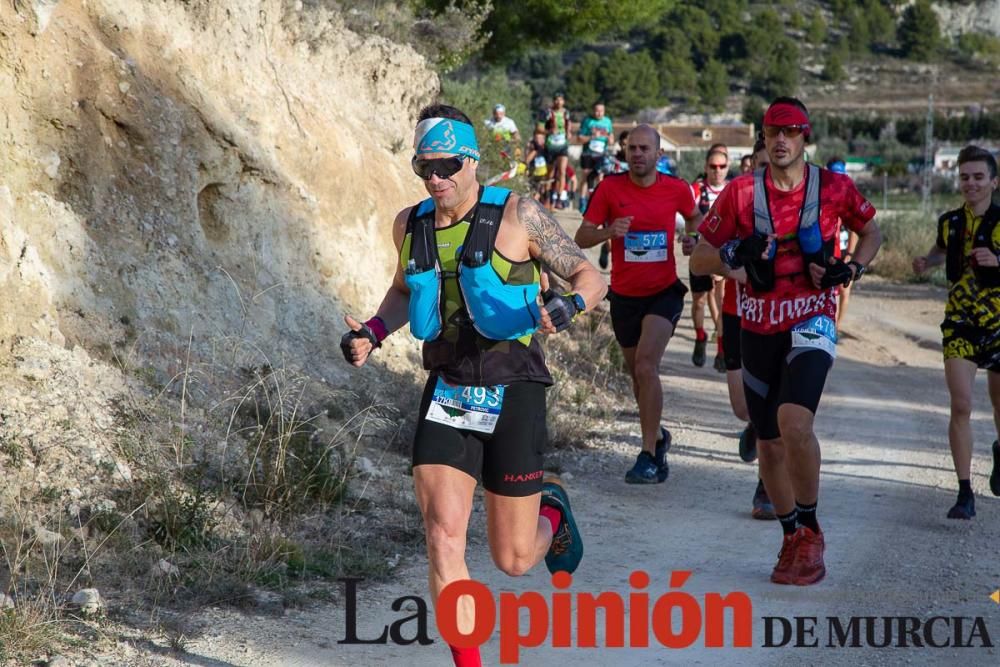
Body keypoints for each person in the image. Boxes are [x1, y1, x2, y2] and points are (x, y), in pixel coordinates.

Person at [340, 104, 606, 666]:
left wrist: (571, 303)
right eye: (424, 168)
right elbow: (403, 292)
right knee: (442, 535)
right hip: (449, 387)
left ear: (471, 159)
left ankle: (550, 510)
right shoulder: (408, 224)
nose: (436, 178)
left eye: (446, 165)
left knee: (513, 559)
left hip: (515, 381)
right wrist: (374, 331)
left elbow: (590, 273)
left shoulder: (518, 215)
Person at [691, 97, 882, 585]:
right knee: (770, 446)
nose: (780, 139)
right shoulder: (739, 193)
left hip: (811, 319)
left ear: (804, 137)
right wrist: (736, 253)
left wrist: (851, 268)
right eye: (773, 130)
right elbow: (699, 259)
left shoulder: (834, 187)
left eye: (791, 131)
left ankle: (812, 529)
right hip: (756, 324)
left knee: (794, 423)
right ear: (763, 135)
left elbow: (872, 232)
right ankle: (791, 534)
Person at [575, 124, 702, 483]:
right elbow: (581, 236)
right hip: (625, 297)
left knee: (647, 367)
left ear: (659, 154)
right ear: (625, 152)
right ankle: (659, 438)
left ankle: (647, 455)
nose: (638, 154)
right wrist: (608, 232)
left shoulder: (676, 189)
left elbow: (696, 219)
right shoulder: (610, 189)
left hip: (664, 292)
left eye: (645, 148)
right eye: (633, 148)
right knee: (637, 376)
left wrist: (693, 239)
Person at [912, 144, 1000, 520]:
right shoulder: (950, 222)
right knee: (961, 404)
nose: (971, 184)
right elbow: (939, 251)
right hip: (960, 322)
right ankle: (965, 492)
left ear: (994, 181)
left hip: (999, 323)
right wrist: (925, 262)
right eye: (965, 177)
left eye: (979, 177)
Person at [723, 133, 775, 521]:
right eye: (759, 166)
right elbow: (710, 250)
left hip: (777, 319)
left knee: (773, 407)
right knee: (744, 408)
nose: (765, 172)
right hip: (735, 313)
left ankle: (766, 486)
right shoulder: (735, 204)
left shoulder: (792, 211)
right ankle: (756, 428)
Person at [688, 146, 729, 368]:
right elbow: (684, 218)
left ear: (727, 167)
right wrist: (691, 237)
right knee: (699, 302)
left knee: (723, 304)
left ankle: (721, 351)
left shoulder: (732, 190)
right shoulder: (696, 190)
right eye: (713, 166)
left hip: (723, 257)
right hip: (700, 255)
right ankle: (700, 336)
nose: (717, 171)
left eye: (722, 166)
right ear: (705, 168)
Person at [826, 157, 859, 333]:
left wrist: (850, 254)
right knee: (831, 293)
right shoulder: (821, 195)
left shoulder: (849, 197)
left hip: (844, 252)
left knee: (844, 291)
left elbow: (857, 229)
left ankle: (837, 327)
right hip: (828, 254)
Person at [577, 102, 614, 212]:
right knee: (586, 176)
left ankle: (598, 202)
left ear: (604, 111)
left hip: (601, 154)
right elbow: (579, 138)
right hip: (588, 153)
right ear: (593, 111)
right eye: (597, 111)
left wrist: (610, 139)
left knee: (600, 177)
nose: (599, 113)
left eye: (601, 111)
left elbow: (611, 136)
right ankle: (582, 200)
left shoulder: (607, 121)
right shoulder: (587, 121)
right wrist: (592, 136)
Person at [538, 92, 572, 209]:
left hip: (563, 146)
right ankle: (547, 198)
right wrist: (548, 132)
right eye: (556, 100)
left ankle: (558, 198)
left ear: (564, 101)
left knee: (562, 171)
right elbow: (539, 128)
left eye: (561, 100)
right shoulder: (547, 113)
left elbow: (569, 124)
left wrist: (568, 132)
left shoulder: (566, 113)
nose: (559, 102)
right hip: (550, 146)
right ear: (553, 101)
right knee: (550, 174)